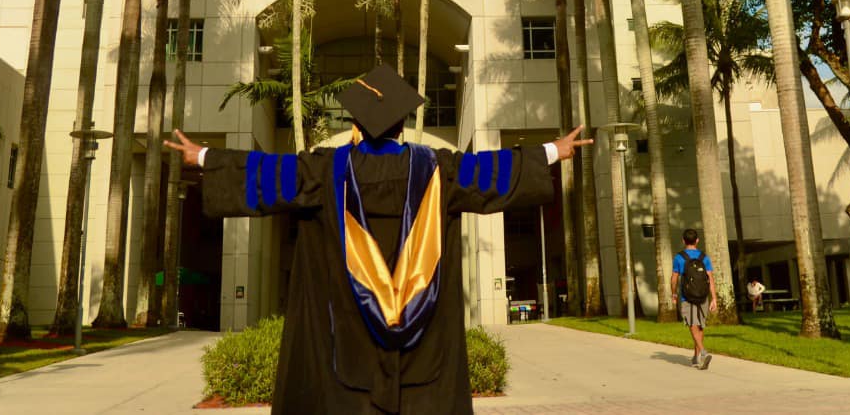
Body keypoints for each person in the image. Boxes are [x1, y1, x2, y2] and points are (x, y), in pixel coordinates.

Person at [163, 62, 591, 413]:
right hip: (424, 346)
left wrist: (204, 156)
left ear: (357, 125)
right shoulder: (438, 169)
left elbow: (265, 174)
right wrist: (553, 151)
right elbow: (493, 172)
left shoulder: (325, 170)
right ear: (400, 124)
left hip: (346, 335)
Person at [670, 227, 717, 370]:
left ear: (683, 241)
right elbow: (710, 278)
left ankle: (702, 351)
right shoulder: (704, 257)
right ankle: (696, 358)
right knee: (700, 326)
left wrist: (674, 293)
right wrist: (714, 298)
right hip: (703, 296)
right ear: (697, 241)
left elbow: (674, 279)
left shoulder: (679, 258)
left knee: (692, 325)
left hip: (687, 296)